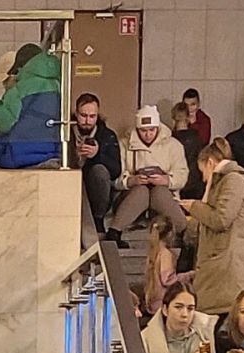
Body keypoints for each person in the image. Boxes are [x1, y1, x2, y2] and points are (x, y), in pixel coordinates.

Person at [185, 138, 244, 316]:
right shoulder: (224, 183)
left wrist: (194, 207)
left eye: (203, 172)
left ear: (210, 163)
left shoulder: (233, 181)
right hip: (219, 270)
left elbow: (221, 219)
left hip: (226, 271)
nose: (204, 178)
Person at [107, 105, 189, 244]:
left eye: (152, 130)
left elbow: (182, 174)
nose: (148, 134)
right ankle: (115, 231)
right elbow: (115, 175)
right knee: (141, 191)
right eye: (143, 131)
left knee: (159, 192)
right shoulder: (125, 145)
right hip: (133, 196)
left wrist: (166, 180)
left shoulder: (173, 146)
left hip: (164, 195)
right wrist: (131, 181)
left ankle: (183, 231)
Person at [0, 44, 63, 170]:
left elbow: (4, 123)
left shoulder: (19, 88)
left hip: (21, 156)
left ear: (22, 66)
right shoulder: (58, 84)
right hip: (53, 154)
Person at [71, 93, 122, 237]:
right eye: (83, 115)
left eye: (92, 116)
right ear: (76, 113)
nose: (87, 120)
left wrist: (97, 155)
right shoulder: (66, 132)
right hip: (70, 180)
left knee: (99, 171)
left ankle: (98, 218)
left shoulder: (106, 135)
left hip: (94, 186)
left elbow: (116, 170)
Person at [171, 102, 207, 201]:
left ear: (173, 117)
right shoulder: (196, 138)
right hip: (195, 182)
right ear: (188, 116)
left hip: (177, 183)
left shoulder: (169, 140)